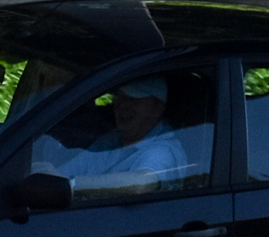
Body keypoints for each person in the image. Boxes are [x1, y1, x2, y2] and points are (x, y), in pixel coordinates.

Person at [30, 75, 190, 186]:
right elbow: (64, 173)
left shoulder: (163, 151)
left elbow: (142, 183)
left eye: (134, 99)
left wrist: (72, 185)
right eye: (119, 97)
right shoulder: (111, 141)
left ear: (158, 108)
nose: (122, 105)